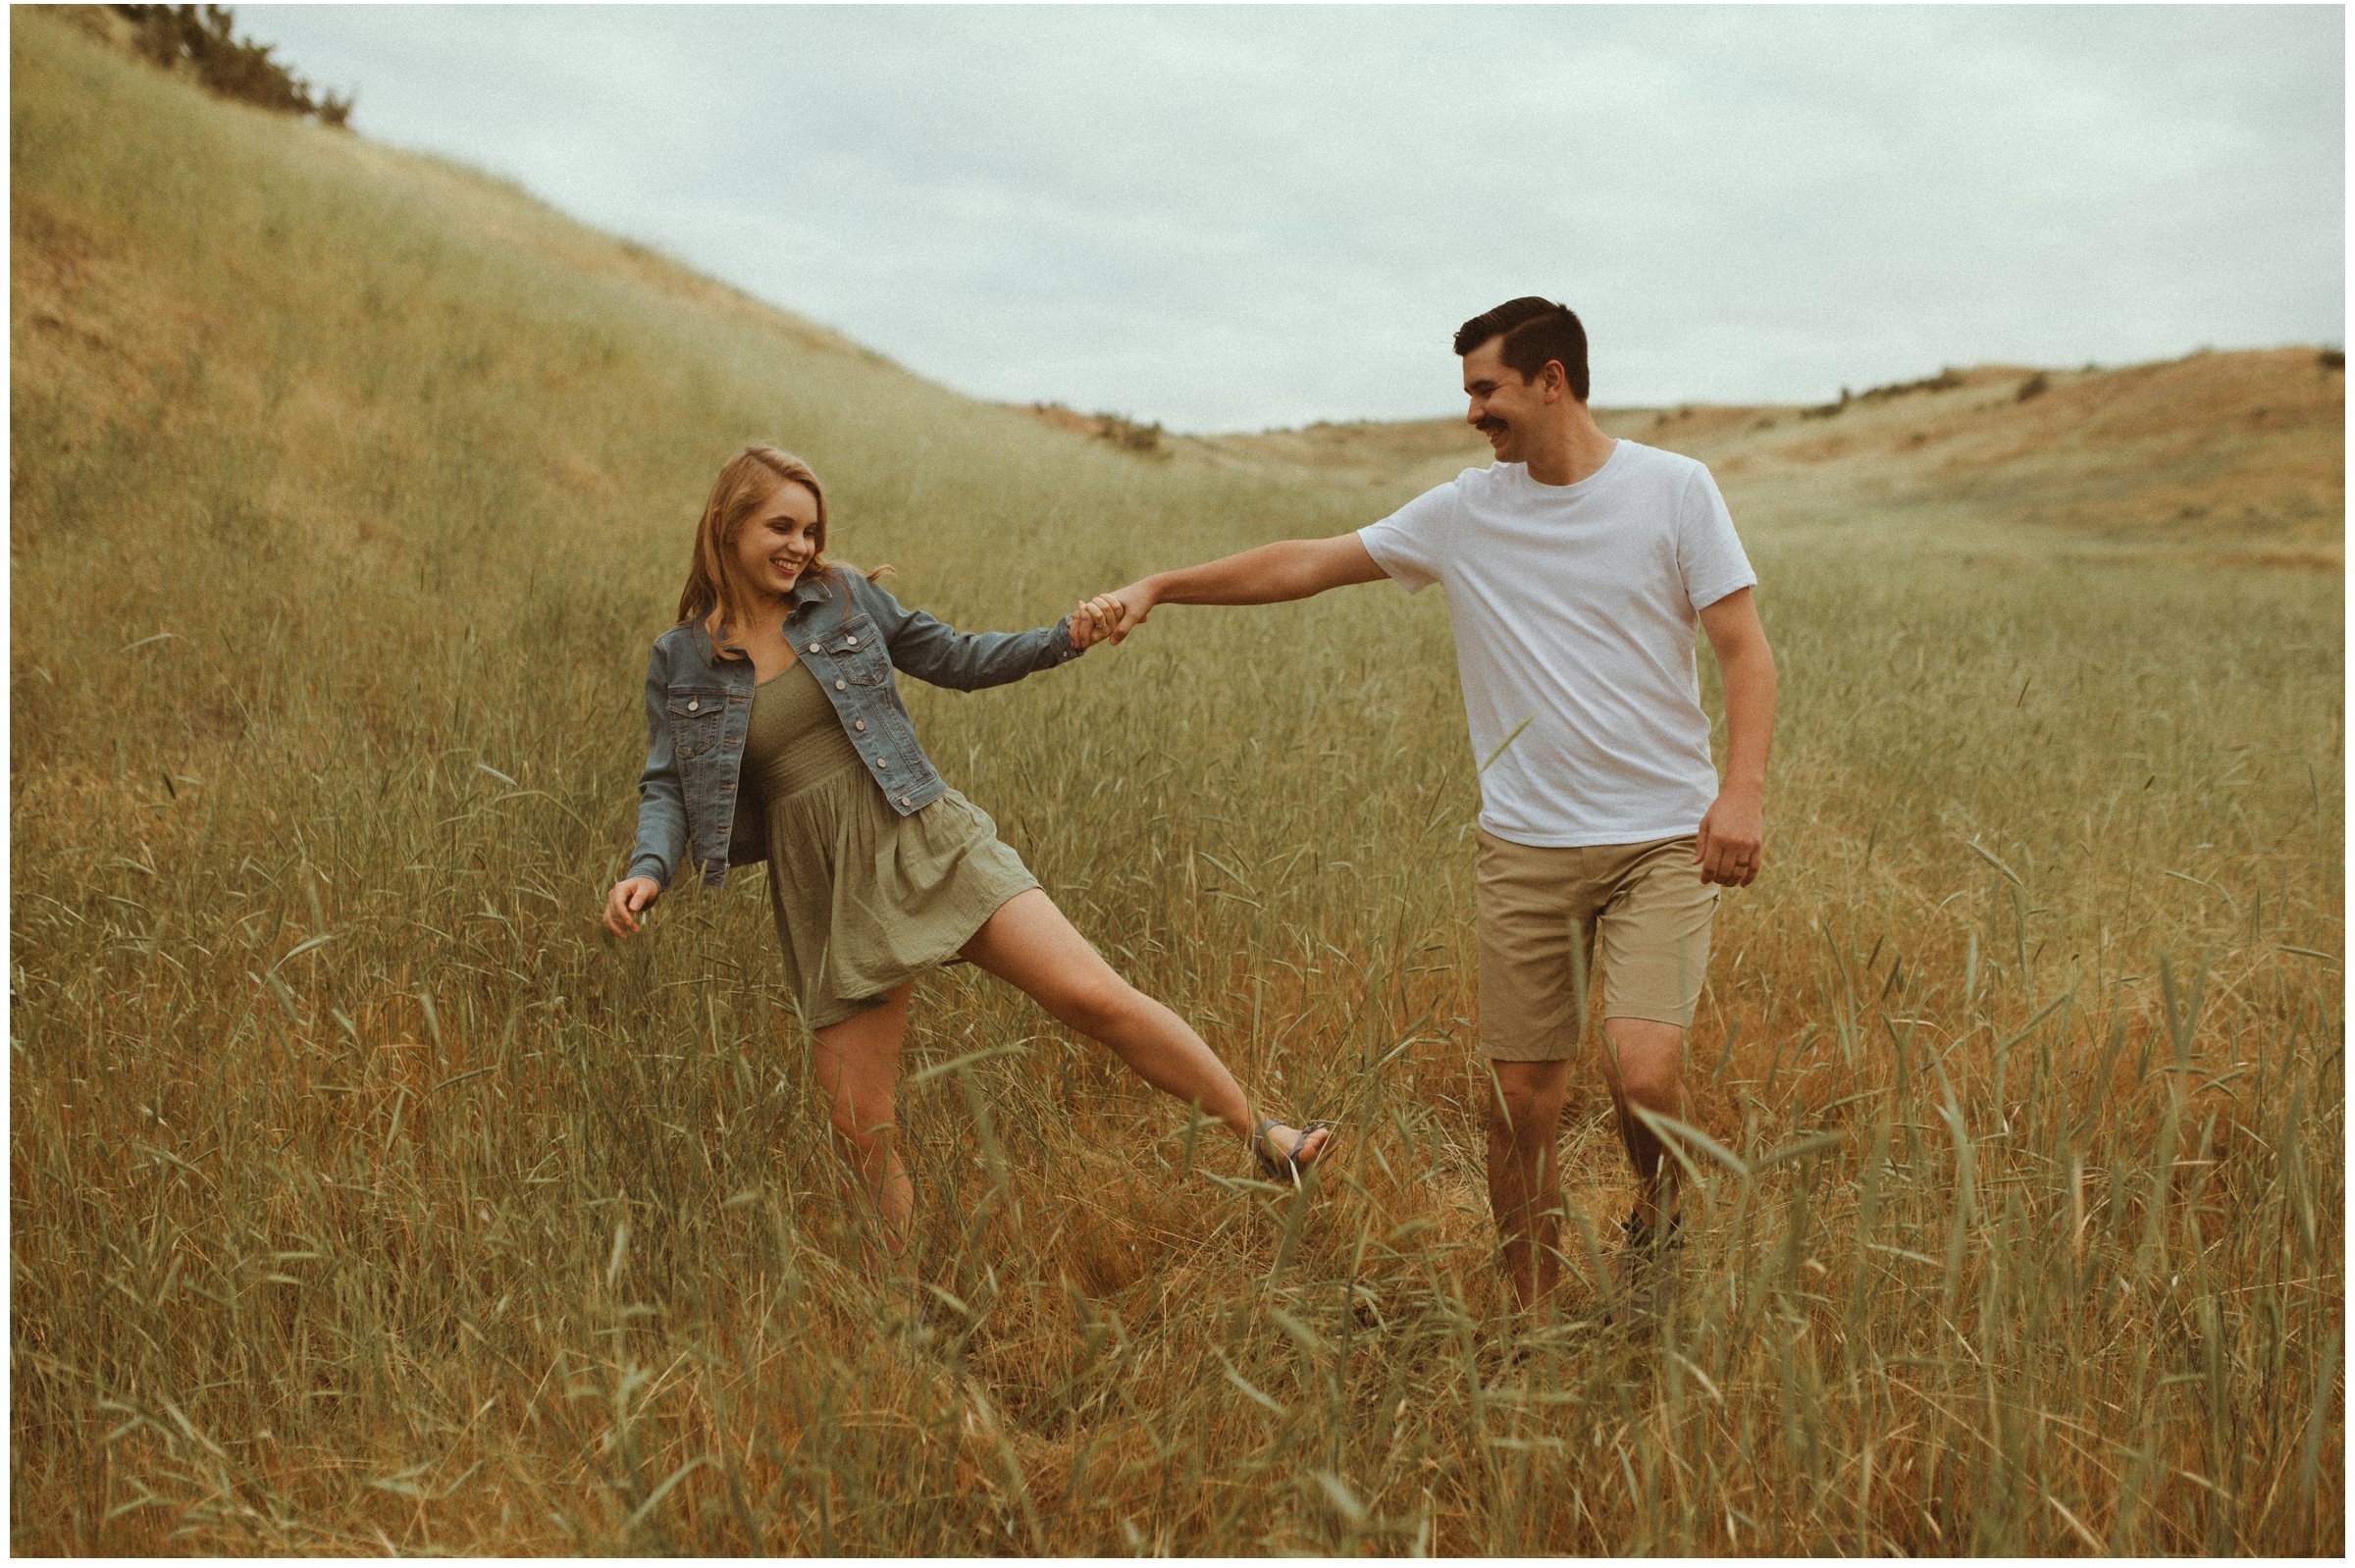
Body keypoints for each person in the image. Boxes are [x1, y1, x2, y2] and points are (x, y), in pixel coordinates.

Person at [1084, 298, 1776, 1313]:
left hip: (1660, 840)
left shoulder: (1675, 490)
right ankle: (1530, 1313)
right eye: (1468, 393)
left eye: (1485, 389)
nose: (1472, 414)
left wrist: (1742, 791)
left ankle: (1657, 1220)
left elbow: (1742, 647)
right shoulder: (1464, 511)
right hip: (1526, 849)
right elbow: (1308, 563)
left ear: (1550, 378)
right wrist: (1162, 584)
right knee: (1518, 1109)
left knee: (1645, 1076)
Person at [603, 444, 1331, 1277]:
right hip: (830, 888)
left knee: (1094, 996)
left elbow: (954, 657)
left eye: (810, 530)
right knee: (859, 1126)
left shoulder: (842, 599)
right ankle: (901, 1315)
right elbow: (667, 783)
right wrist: (648, 869)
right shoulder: (682, 658)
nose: (800, 546)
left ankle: (1267, 1138)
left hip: (924, 835)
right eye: (781, 527)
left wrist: (1064, 638)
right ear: (726, 524)